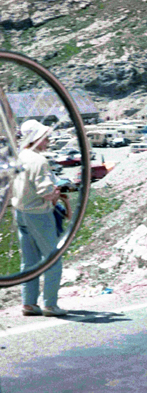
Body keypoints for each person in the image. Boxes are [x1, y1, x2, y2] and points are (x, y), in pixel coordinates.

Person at [13, 120, 67, 317]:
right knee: (52, 258)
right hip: (39, 214)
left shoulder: (20, 156)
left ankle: (29, 303)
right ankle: (50, 305)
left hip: (20, 211)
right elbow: (45, 192)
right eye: (45, 136)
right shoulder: (39, 161)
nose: (48, 139)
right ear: (36, 138)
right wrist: (56, 193)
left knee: (29, 261)